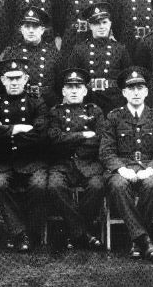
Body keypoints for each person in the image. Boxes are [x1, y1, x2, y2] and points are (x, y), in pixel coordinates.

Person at [99, 66, 153, 261]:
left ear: (147, 91)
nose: (136, 92)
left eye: (140, 88)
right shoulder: (113, 117)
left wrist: (151, 169)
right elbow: (106, 151)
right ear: (124, 92)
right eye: (131, 89)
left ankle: (136, 241)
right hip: (122, 167)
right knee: (118, 185)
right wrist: (121, 169)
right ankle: (144, 241)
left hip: (148, 166)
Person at [0, 58, 51, 253]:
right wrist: (18, 128)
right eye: (10, 79)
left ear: (26, 79)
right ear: (3, 80)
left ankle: (30, 231)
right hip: (4, 160)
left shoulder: (36, 102)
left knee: (39, 185)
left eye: (18, 78)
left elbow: (41, 134)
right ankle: (20, 232)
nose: (14, 83)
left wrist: (4, 131)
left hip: (32, 159)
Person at [46, 68, 105, 250]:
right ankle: (83, 234)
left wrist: (69, 139)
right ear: (63, 91)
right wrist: (83, 135)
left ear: (85, 91)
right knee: (54, 186)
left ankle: (73, 230)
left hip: (89, 163)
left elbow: (100, 139)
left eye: (78, 87)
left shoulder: (94, 111)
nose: (73, 91)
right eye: (69, 87)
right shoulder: (55, 112)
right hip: (62, 164)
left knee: (97, 186)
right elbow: (54, 139)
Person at [65, 2, 132, 114]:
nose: (101, 27)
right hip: (89, 99)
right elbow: (71, 78)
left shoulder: (120, 49)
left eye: (104, 22)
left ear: (110, 24)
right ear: (90, 26)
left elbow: (127, 78)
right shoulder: (79, 49)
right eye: (96, 23)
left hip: (114, 99)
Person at [1, 6, 62, 108]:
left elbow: (60, 83)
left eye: (35, 27)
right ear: (21, 29)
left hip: (47, 102)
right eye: (27, 27)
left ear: (42, 30)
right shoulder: (12, 53)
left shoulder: (53, 53)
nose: (31, 31)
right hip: (21, 104)